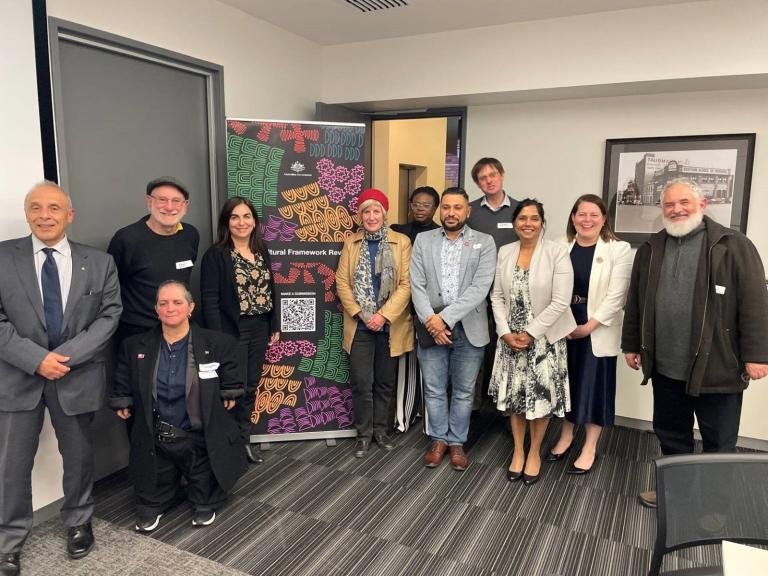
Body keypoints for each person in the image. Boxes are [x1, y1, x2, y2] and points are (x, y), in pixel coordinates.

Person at [622, 178, 768, 509]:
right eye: (669, 205)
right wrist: (632, 344)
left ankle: (715, 506)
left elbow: (756, 304)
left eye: (684, 203)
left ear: (702, 205)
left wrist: (758, 355)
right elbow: (637, 302)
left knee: (718, 443)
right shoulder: (652, 247)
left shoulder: (733, 245)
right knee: (671, 435)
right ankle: (676, 492)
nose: (676, 210)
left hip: (718, 367)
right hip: (665, 365)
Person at [0, 182, 122, 575]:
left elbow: (109, 315)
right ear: (27, 213)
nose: (45, 215)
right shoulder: (2, 257)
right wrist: (36, 360)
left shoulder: (99, 262)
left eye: (54, 208)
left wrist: (61, 358)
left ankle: (78, 520)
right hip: (18, 377)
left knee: (79, 456)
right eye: (36, 208)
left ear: (69, 215)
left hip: (76, 375)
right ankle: (9, 540)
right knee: (12, 464)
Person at [110, 281, 246, 531]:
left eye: (177, 302)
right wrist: (122, 398)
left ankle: (202, 495)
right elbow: (122, 377)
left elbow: (232, 374)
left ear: (190, 307)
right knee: (149, 498)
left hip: (197, 437)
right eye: (163, 303)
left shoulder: (218, 343)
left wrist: (230, 389)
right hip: (157, 438)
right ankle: (162, 493)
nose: (170, 308)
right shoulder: (134, 346)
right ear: (156, 309)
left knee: (206, 495)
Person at [489, 199, 575, 486]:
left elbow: (561, 300)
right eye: (523, 218)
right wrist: (504, 331)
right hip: (511, 340)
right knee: (515, 399)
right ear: (515, 222)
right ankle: (517, 450)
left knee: (539, 399)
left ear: (542, 222)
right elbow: (497, 296)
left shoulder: (557, 252)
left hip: (544, 340)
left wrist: (531, 332)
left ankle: (534, 452)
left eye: (534, 218)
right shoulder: (506, 251)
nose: (528, 223)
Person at [410, 187, 497, 471]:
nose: (451, 212)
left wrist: (444, 319)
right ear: (440, 210)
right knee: (434, 389)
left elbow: (480, 288)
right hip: (430, 326)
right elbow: (417, 285)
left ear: (467, 211)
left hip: (468, 328)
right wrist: (430, 322)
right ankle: (438, 440)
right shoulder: (423, 240)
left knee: (463, 391)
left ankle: (457, 441)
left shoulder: (484, 242)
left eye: (457, 207)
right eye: (446, 207)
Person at [547, 194, 632, 474]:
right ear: (573, 217)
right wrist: (564, 324)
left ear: (604, 219)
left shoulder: (618, 249)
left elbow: (616, 296)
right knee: (567, 384)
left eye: (594, 215)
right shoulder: (559, 246)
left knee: (595, 387)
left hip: (596, 327)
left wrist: (588, 326)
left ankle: (590, 446)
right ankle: (567, 436)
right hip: (563, 323)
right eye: (581, 214)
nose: (587, 220)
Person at [336, 189, 414, 457]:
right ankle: (364, 434)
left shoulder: (401, 242)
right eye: (366, 211)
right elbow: (342, 283)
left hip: (390, 324)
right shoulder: (351, 243)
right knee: (361, 381)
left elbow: (406, 284)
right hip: (359, 325)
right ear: (360, 215)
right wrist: (361, 314)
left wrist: (383, 315)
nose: (371, 216)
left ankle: (381, 431)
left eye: (376, 211)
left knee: (384, 382)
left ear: (384, 213)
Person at [200, 197, 279, 465]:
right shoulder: (216, 254)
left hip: (259, 328)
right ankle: (228, 444)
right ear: (226, 222)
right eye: (235, 217)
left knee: (249, 387)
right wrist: (217, 338)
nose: (241, 222)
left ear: (255, 222)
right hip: (231, 332)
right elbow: (209, 300)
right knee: (230, 388)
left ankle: (244, 440)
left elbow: (271, 290)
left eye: (246, 216)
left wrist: (273, 324)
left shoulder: (261, 249)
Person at [108, 177, 199, 344]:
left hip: (179, 329)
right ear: (149, 202)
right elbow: (111, 287)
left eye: (176, 201)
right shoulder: (127, 239)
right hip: (138, 332)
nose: (169, 207)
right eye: (162, 200)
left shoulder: (190, 235)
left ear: (185, 206)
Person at [466, 158, 521, 410]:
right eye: (482, 178)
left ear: (503, 174)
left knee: (509, 351)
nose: (489, 180)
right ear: (478, 184)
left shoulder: (521, 210)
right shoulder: (470, 212)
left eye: (493, 174)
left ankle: (507, 410)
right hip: (477, 292)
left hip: (510, 292)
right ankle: (474, 408)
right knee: (475, 349)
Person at [390, 186, 440, 432]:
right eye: (416, 203)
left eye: (427, 205)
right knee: (407, 367)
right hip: (403, 308)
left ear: (435, 209)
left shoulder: (441, 234)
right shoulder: (398, 232)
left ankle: (432, 421)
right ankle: (405, 416)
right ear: (410, 205)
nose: (420, 208)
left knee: (432, 369)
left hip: (430, 310)